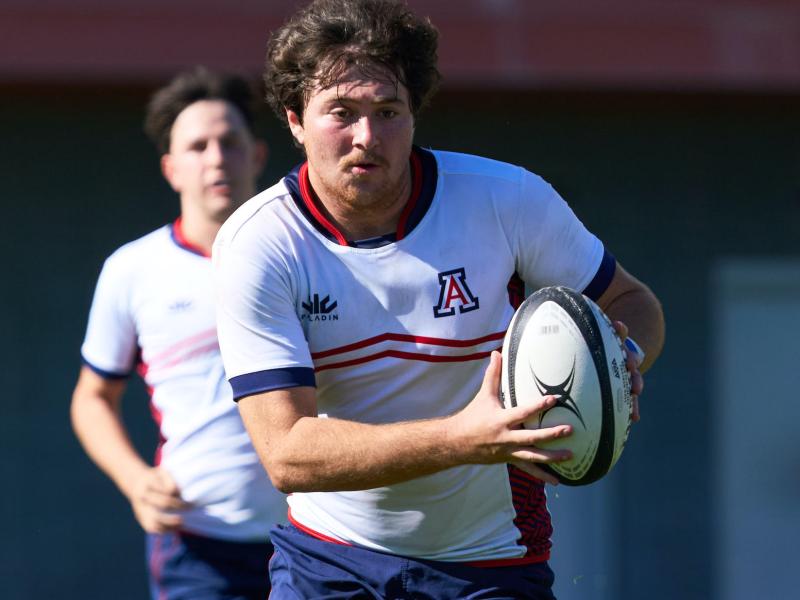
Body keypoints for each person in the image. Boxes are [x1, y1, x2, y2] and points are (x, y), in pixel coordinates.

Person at [213, 1, 666, 597]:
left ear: (414, 114)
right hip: (330, 562)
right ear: (296, 121)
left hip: (493, 560)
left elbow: (631, 301)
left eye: (388, 110)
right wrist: (461, 439)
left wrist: (619, 358)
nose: (366, 136)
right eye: (341, 113)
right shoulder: (260, 243)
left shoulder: (506, 200)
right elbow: (287, 453)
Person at [70, 67, 286, 600]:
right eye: (197, 146)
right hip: (196, 548)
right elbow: (92, 397)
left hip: (315, 538)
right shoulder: (132, 269)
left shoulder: (306, 257)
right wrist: (134, 480)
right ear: (171, 169)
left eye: (230, 141)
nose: (216, 157)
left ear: (257, 156)